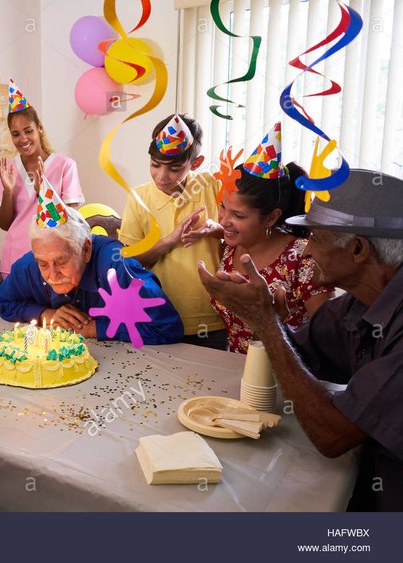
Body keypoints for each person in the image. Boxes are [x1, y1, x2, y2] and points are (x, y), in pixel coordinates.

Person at [199, 169, 403, 511]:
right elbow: (303, 353)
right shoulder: (356, 303)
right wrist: (272, 321)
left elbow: (332, 435)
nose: (306, 251)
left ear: (357, 249)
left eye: (314, 238)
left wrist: (266, 323)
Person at [0, 192, 183, 344]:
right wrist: (46, 313)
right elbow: (5, 302)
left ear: (86, 249)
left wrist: (96, 328)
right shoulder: (29, 266)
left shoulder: (117, 266)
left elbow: (167, 327)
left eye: (61, 262)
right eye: (43, 263)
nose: (51, 275)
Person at [212, 124, 334, 353]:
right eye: (222, 207)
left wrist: (276, 320)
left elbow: (330, 340)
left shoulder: (303, 258)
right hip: (238, 372)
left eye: (238, 215)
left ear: (271, 217)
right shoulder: (229, 248)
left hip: (289, 379)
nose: (224, 220)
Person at [119, 114, 226, 349]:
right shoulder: (139, 199)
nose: (162, 176)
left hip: (211, 316)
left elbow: (239, 239)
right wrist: (169, 241)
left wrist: (214, 230)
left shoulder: (213, 186)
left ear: (195, 164)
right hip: (158, 315)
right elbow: (128, 263)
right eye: (155, 165)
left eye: (175, 169)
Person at [0, 78, 85, 278]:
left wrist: (44, 193)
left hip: (51, 260)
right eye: (16, 134)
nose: (23, 139)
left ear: (39, 128)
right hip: (14, 259)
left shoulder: (65, 166)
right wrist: (8, 192)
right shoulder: (8, 168)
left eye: (28, 131)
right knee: (17, 309)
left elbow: (70, 222)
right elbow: (5, 224)